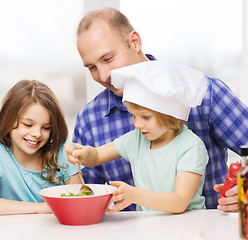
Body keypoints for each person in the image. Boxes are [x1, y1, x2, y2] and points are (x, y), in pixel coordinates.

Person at [73, 7, 248, 212]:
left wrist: (245, 189)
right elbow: (85, 196)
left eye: (108, 59)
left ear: (135, 42)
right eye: (92, 68)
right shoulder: (90, 119)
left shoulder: (204, 94)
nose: (103, 76)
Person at [66, 61, 209, 213]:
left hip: (187, 227)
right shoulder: (137, 139)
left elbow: (179, 202)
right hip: (149, 226)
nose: (138, 124)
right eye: (133, 116)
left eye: (146, 117)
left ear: (171, 115)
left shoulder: (190, 147)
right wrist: (84, 154)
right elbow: (97, 155)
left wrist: (134, 195)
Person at [0, 80, 81, 214]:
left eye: (46, 128)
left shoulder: (62, 153)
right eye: (27, 125)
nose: (37, 134)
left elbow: (78, 203)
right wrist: (40, 208)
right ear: (8, 119)